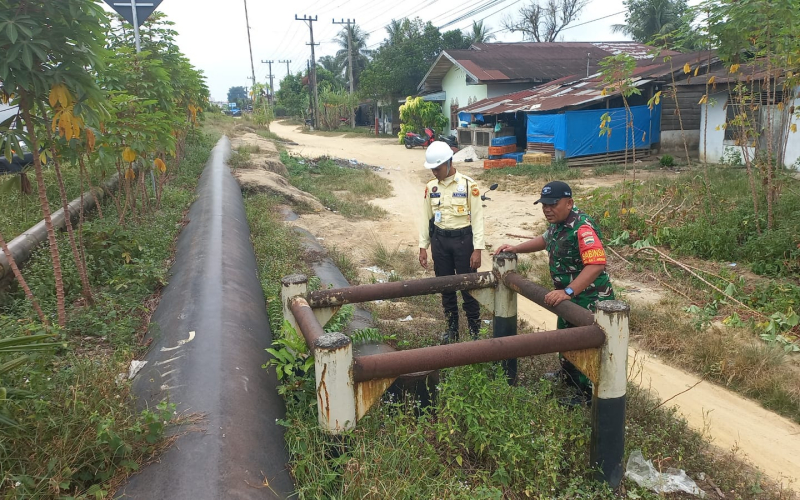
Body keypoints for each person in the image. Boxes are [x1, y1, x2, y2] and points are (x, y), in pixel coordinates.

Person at [494, 180, 614, 399]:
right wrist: (515, 248)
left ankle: (585, 393)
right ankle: (567, 377)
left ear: (569, 203)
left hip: (588, 298)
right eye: (544, 205)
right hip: (569, 297)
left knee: (585, 344)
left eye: (553, 204)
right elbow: (544, 240)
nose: (547, 209)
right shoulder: (559, 224)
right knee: (566, 338)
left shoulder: (582, 228)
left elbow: (596, 265)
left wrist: (568, 291)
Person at [419, 141, 485, 344]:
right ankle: (452, 329)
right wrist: (423, 246)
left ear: (449, 163)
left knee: (468, 287)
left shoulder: (468, 185)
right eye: (432, 169)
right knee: (445, 287)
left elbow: (478, 219)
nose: (434, 172)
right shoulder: (431, 187)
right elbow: (425, 217)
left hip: (463, 242)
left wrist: (477, 249)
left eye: (437, 168)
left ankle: (475, 331)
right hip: (440, 242)